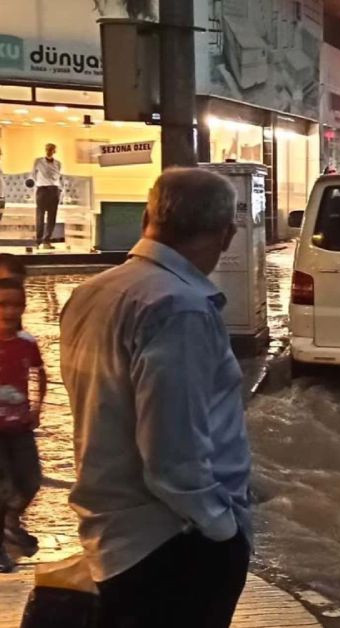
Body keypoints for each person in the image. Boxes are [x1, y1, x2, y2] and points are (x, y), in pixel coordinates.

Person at [60, 168, 250, 627]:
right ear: (226, 236)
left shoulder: (91, 292)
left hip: (114, 538)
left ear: (148, 218)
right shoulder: (179, 308)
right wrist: (222, 529)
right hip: (173, 544)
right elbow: (172, 452)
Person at [0, 277, 46, 573]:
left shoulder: (27, 343)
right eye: (3, 304)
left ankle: (9, 521)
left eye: (17, 304)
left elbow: (40, 374)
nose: (10, 310)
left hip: (20, 426)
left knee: (30, 480)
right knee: (2, 486)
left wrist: (37, 407)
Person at [31, 143, 63, 250]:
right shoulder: (38, 161)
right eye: (48, 149)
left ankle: (47, 240)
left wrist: (59, 189)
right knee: (40, 216)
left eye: (52, 149)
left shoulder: (58, 163)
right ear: (45, 150)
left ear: (54, 151)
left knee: (52, 217)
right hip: (42, 189)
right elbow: (33, 175)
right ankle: (38, 240)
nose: (49, 151)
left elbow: (59, 177)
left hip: (54, 190)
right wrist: (40, 184)